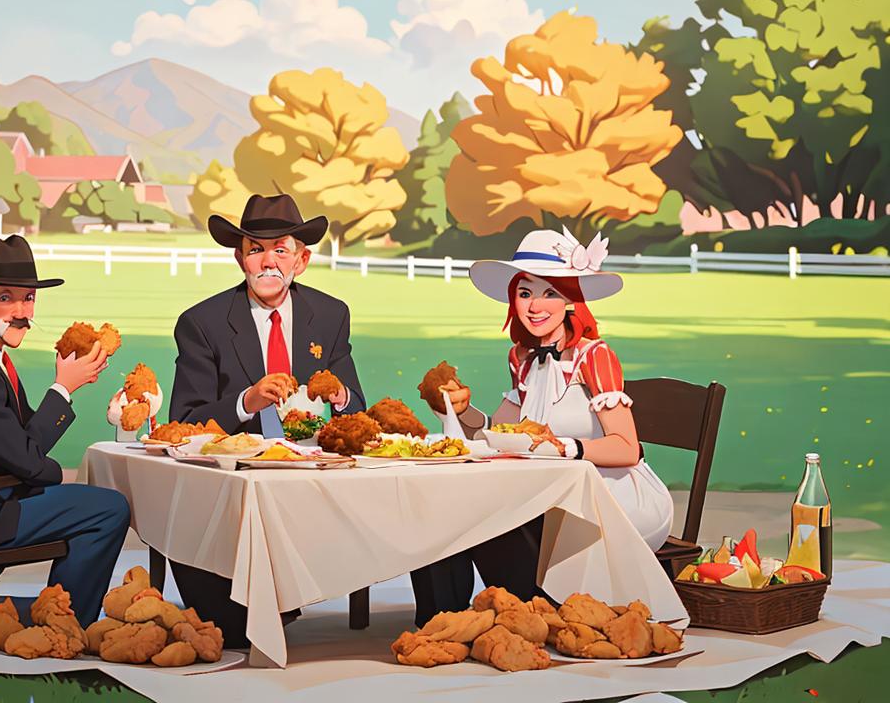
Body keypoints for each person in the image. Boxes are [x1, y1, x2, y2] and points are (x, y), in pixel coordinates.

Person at [412, 227, 674, 625]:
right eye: (525, 292)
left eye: (550, 292)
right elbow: (500, 432)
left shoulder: (595, 356)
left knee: (495, 516)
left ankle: (533, 608)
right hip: (550, 488)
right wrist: (460, 410)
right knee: (450, 506)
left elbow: (626, 449)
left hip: (611, 493)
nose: (536, 305)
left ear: (571, 300)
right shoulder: (521, 357)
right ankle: (441, 619)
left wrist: (563, 448)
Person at [168, 193, 367, 646]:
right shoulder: (202, 322)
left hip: (316, 476)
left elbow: (357, 409)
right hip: (241, 483)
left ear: (302, 259)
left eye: (281, 249)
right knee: (232, 631)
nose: (268, 261)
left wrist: (339, 396)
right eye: (256, 249)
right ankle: (244, 613)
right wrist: (245, 401)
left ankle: (284, 599)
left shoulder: (331, 314)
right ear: (240, 257)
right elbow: (184, 420)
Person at [0, 233, 131, 627]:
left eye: (28, 298)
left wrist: (66, 389)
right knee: (109, 508)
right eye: (5, 298)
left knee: (85, 500)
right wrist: (63, 388)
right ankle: (64, 618)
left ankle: (55, 606)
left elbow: (19, 437)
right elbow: (29, 461)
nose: (22, 311)